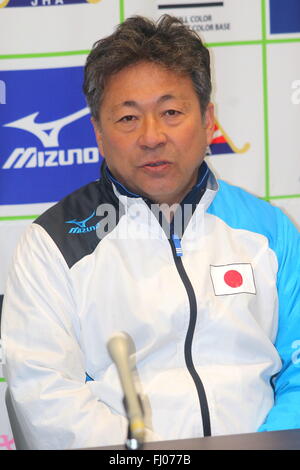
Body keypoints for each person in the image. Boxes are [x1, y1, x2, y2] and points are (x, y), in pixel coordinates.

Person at [1, 15, 300, 450]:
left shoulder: (268, 230)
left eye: (171, 112)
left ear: (208, 121)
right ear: (99, 135)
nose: (151, 136)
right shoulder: (54, 243)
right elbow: (45, 396)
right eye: (127, 118)